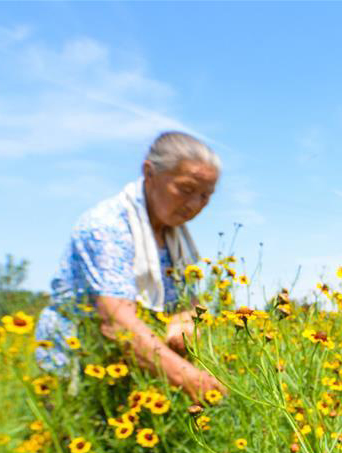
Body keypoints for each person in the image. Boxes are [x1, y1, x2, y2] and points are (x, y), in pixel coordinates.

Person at [35, 131, 226, 400]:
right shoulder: (107, 226)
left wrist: (186, 321)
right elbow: (117, 323)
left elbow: (188, 302)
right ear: (149, 173)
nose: (194, 205)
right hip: (79, 364)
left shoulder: (175, 237)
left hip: (135, 369)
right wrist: (193, 381)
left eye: (206, 196)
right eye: (186, 189)